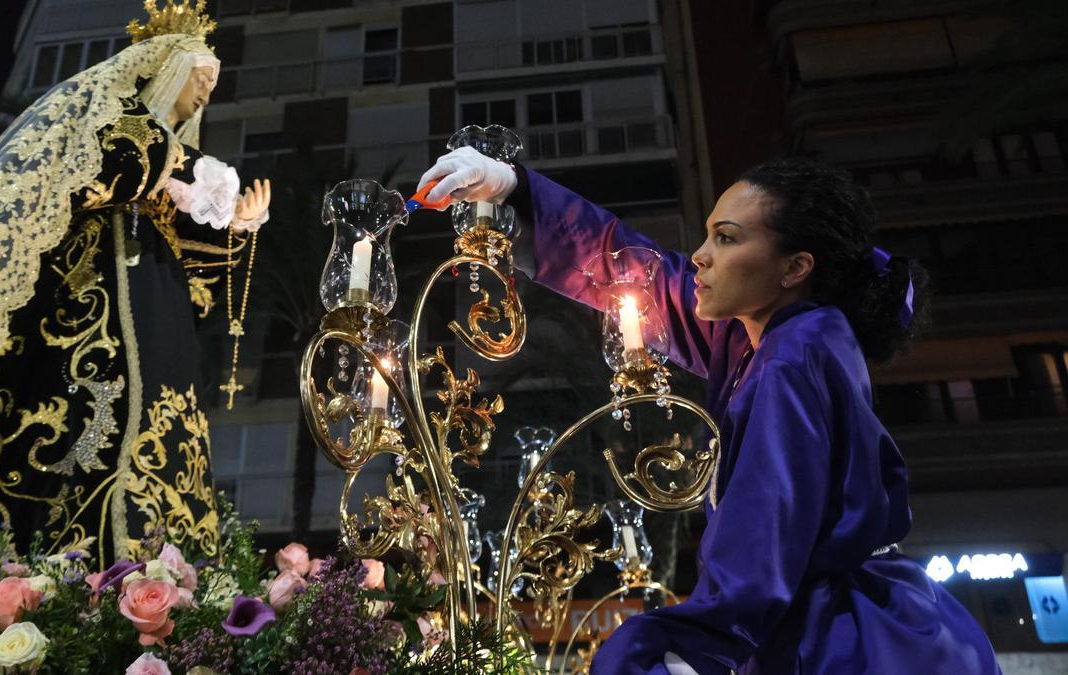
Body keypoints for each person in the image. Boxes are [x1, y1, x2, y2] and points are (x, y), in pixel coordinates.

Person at [417, 147, 1001, 674]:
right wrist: (514, 190)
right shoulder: (765, 334)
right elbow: (640, 273)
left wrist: (690, 645)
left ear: (794, 268)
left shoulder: (792, 357)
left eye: (726, 238)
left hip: (847, 643)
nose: (699, 255)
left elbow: (762, 531)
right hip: (864, 620)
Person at [0, 6, 269, 572]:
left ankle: (171, 583)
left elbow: (197, 273)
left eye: (213, 85)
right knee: (78, 438)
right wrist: (180, 165)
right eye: (200, 78)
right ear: (166, 70)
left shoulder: (180, 167)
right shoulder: (108, 115)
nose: (206, 93)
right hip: (84, 309)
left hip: (157, 322)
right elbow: (102, 167)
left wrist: (236, 225)